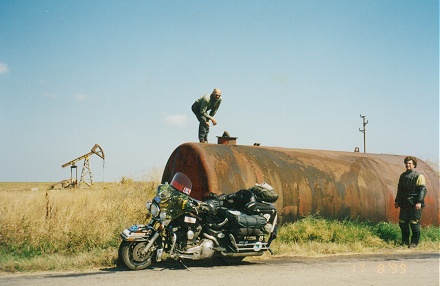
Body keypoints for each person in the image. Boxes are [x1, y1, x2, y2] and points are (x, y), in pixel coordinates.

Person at [394, 156, 427, 248]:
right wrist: (397, 200)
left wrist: (419, 202)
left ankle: (414, 243)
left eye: (410, 163)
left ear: (414, 165)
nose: (408, 165)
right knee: (403, 223)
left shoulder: (419, 176)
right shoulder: (403, 176)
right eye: (407, 163)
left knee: (414, 223)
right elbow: (400, 190)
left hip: (415, 204)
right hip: (404, 204)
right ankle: (404, 241)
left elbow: (422, 190)